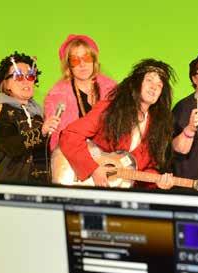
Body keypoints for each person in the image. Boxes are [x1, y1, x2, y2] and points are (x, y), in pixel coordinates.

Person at [59, 59, 175, 189]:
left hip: (123, 196)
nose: (154, 87)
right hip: (89, 189)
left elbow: (145, 170)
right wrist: (93, 169)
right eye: (149, 80)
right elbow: (70, 135)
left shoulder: (156, 127)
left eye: (159, 85)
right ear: (136, 83)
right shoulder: (109, 109)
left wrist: (157, 181)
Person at [0, 52, 59, 183]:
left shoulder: (38, 114)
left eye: (30, 76)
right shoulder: (2, 112)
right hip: (12, 186)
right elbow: (11, 146)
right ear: (6, 84)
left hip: (42, 186)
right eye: (18, 76)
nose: (26, 81)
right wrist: (41, 132)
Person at [44, 34, 116, 151]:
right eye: (75, 60)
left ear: (94, 60)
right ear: (68, 65)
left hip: (108, 153)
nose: (82, 65)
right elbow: (55, 139)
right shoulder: (56, 97)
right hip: (73, 154)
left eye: (87, 58)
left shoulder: (112, 90)